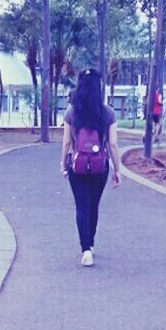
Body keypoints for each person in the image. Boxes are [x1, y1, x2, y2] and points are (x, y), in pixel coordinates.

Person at [60, 68, 121, 267]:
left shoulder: (72, 112)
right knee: (93, 205)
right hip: (99, 167)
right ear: (99, 87)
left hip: (76, 167)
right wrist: (117, 170)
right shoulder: (108, 113)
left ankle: (85, 249)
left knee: (81, 206)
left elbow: (67, 142)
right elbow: (112, 144)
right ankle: (91, 244)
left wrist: (63, 164)